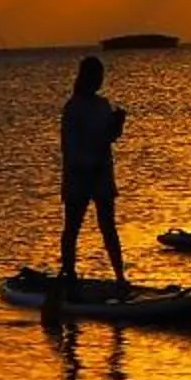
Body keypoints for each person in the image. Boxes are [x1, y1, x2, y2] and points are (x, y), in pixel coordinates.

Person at [55, 54, 129, 302]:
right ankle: (69, 273)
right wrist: (86, 165)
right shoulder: (73, 108)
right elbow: (70, 147)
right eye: (96, 76)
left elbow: (108, 137)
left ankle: (120, 277)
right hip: (80, 175)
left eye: (101, 76)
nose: (100, 80)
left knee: (108, 227)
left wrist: (118, 124)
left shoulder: (102, 105)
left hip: (101, 175)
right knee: (72, 228)